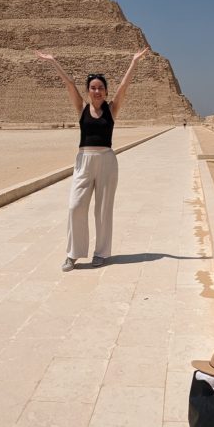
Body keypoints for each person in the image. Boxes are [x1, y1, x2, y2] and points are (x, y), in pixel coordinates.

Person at [37, 47, 149, 271]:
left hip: (106, 160)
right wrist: (53, 61)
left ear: (106, 92)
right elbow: (69, 84)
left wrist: (134, 61)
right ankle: (73, 254)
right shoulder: (81, 109)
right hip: (84, 160)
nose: (97, 91)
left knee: (103, 209)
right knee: (75, 207)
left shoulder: (112, 109)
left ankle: (101, 253)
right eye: (93, 88)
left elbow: (125, 86)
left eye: (100, 88)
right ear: (88, 91)